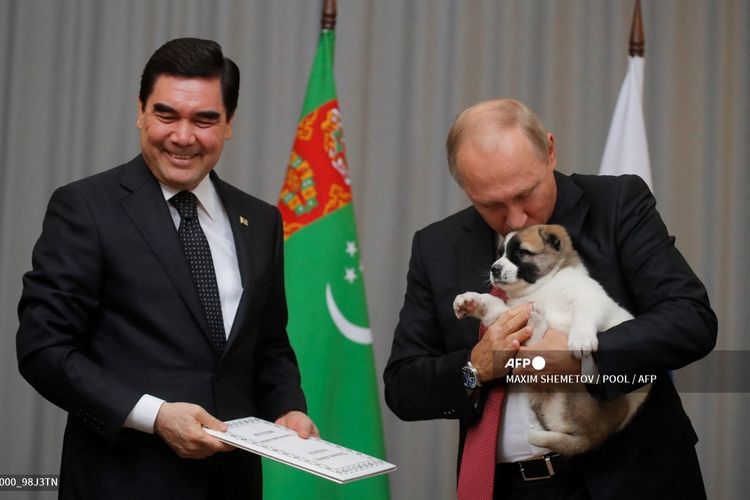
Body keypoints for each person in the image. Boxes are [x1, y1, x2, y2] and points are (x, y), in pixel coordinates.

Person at [16, 38, 318, 499]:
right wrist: (155, 416)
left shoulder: (260, 220)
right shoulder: (85, 208)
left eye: (204, 120)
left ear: (229, 124)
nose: (182, 136)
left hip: (232, 485)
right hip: (120, 481)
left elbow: (270, 346)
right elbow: (45, 349)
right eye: (166, 115)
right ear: (140, 111)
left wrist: (288, 408)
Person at [384, 99, 717, 499]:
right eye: (490, 204)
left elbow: (691, 318)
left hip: (629, 480)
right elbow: (404, 386)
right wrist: (475, 367)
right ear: (465, 188)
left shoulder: (616, 204)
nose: (516, 219)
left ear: (551, 150)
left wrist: (583, 357)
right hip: (509, 490)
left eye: (526, 194)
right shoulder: (435, 246)